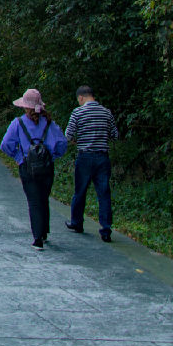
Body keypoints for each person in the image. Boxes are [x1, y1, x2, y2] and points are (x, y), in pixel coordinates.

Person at [0, 88, 67, 249]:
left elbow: (5, 145)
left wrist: (18, 157)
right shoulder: (50, 123)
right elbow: (62, 144)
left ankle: (37, 237)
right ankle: (44, 231)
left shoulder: (18, 123)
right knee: (44, 198)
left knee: (34, 201)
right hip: (46, 166)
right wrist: (52, 156)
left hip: (27, 166)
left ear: (25, 106)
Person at [64, 85, 119, 242]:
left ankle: (77, 222)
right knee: (103, 193)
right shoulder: (106, 112)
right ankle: (106, 229)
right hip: (102, 157)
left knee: (80, 191)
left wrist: (77, 141)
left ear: (81, 97)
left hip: (85, 156)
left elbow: (67, 135)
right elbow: (115, 135)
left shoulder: (78, 112)